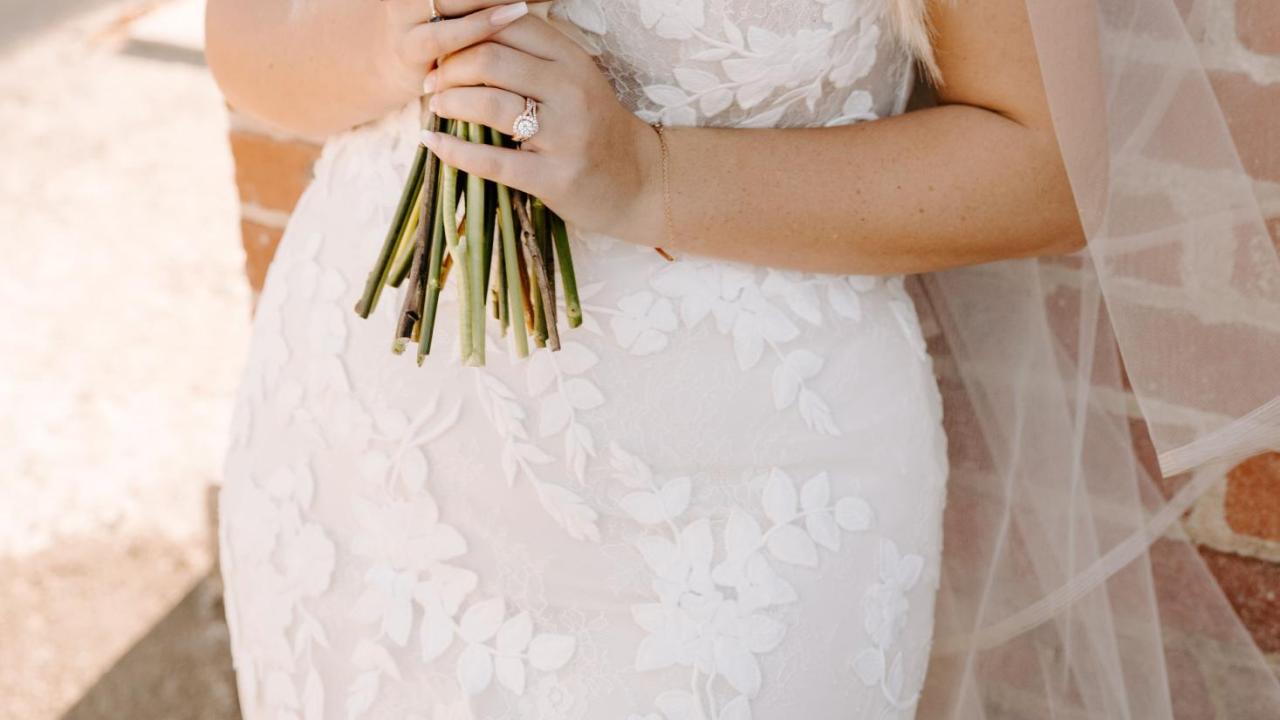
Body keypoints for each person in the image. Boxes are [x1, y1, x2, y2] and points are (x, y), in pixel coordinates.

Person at [205, 0, 1280, 717]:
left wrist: (648, 173)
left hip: (725, 523)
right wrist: (399, 34)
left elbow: (1045, 166)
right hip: (356, 463)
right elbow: (241, 43)